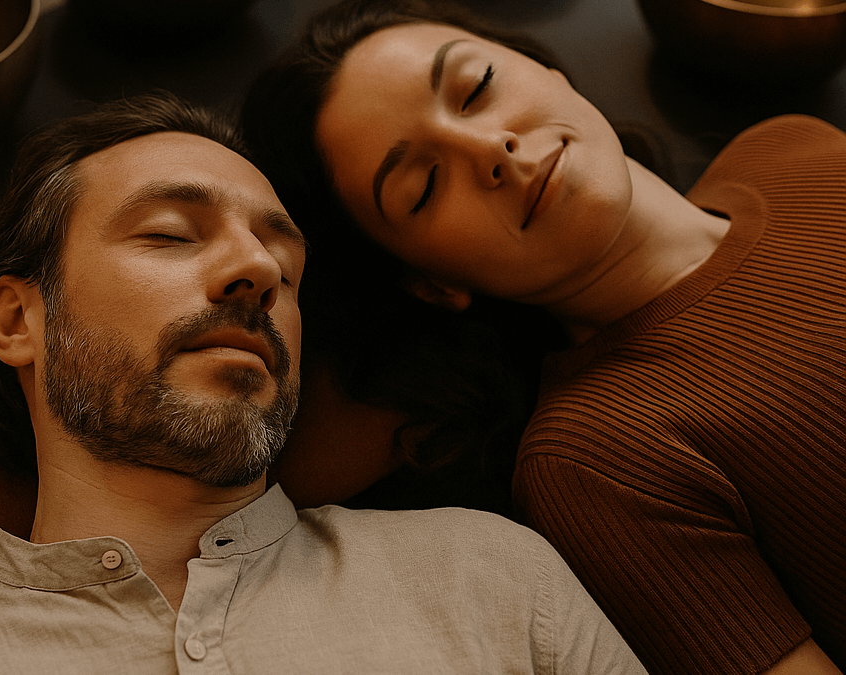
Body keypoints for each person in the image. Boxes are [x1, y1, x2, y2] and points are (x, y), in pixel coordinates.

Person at [0, 92, 646, 674]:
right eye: (172, 234)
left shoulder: (490, 578)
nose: (256, 269)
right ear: (17, 321)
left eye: (285, 267)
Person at [237, 1, 846, 674]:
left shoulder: (792, 147)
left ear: (548, 68)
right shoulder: (592, 461)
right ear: (435, 284)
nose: (489, 149)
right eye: (424, 185)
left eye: (475, 88)